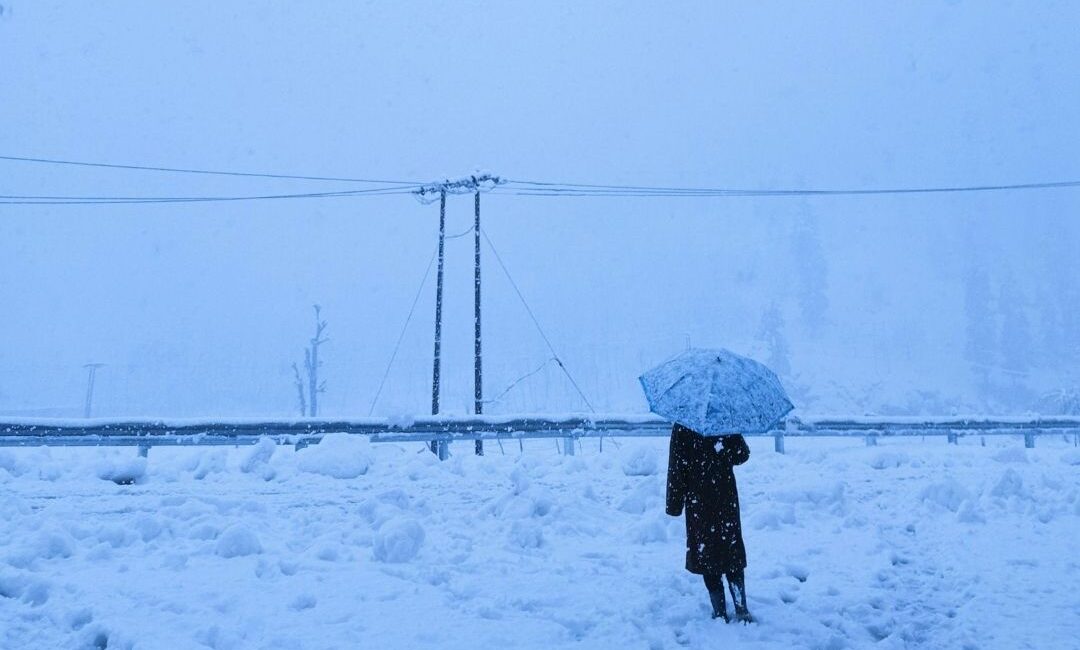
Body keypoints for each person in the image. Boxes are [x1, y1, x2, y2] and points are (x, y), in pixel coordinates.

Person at [665, 423, 753, 623]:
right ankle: (741, 608)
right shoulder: (722, 420)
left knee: (707, 554)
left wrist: (674, 504)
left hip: (698, 500)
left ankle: (719, 612)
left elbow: (676, 467)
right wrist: (723, 448)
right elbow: (742, 455)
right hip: (725, 495)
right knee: (731, 549)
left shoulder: (683, 424)